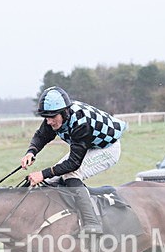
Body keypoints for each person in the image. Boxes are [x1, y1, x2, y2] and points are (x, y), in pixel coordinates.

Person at [21, 86, 126, 235]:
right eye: (46, 117)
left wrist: (43, 174)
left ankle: (92, 222)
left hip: (107, 148)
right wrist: (31, 152)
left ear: (64, 112)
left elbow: (73, 163)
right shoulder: (56, 115)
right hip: (88, 145)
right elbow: (42, 136)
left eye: (52, 117)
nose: (49, 121)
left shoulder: (80, 122)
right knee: (51, 181)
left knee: (71, 175)